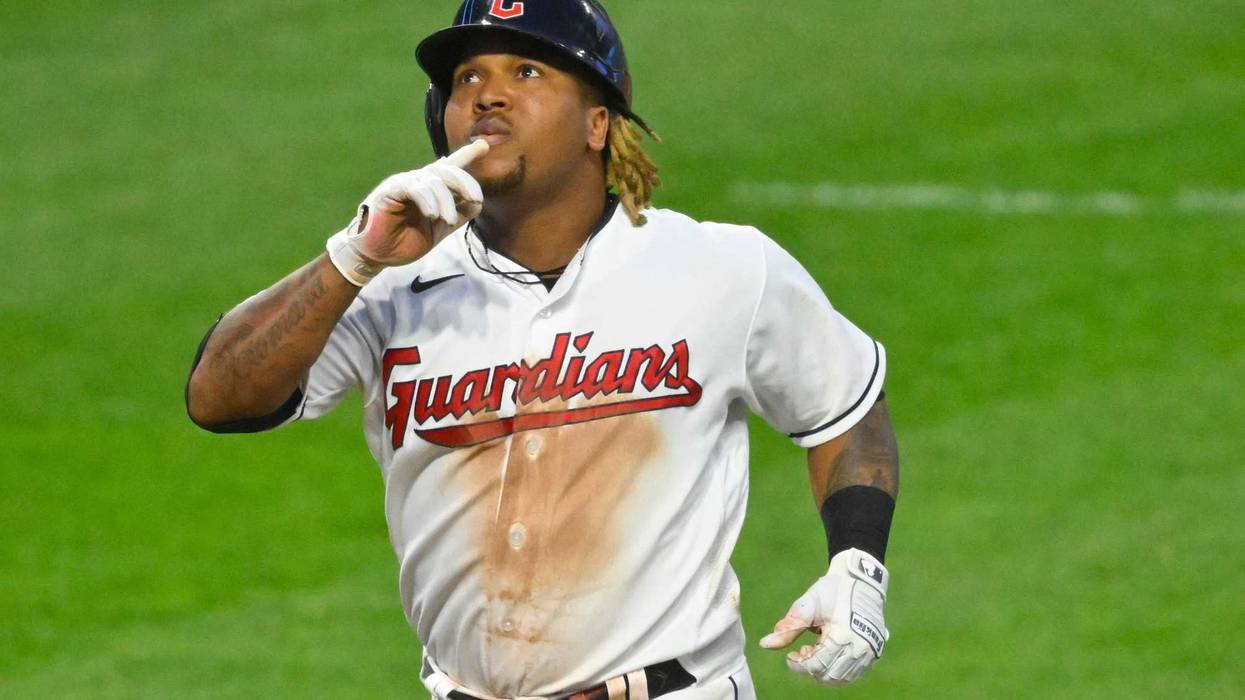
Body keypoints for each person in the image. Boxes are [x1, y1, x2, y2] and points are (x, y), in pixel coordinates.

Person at [185, 1, 900, 698]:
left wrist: (857, 564)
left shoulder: (723, 268)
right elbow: (219, 399)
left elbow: (843, 408)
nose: (487, 95)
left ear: (597, 124)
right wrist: (353, 257)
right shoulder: (387, 287)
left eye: (526, 72)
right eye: (466, 78)